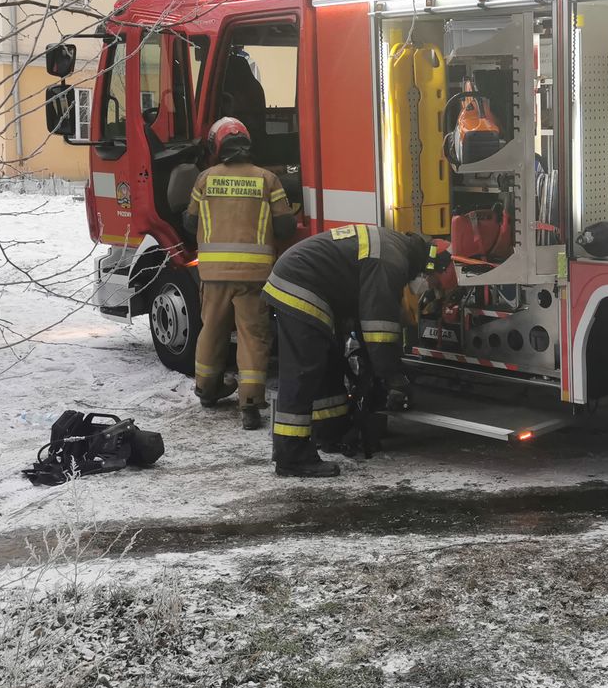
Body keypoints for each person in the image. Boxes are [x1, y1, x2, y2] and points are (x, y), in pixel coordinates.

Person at [263, 226, 455, 477]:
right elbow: (379, 330)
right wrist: (392, 376)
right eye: (432, 283)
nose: (426, 288)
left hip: (302, 279)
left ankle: (330, 433)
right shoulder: (391, 261)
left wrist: (377, 365)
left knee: (328, 365)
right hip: (299, 283)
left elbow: (367, 321)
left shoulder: (394, 249)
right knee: (303, 371)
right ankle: (291, 457)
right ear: (428, 267)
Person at [184, 117, 296, 428]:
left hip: (213, 274)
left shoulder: (205, 179)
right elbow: (285, 226)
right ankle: (249, 405)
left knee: (211, 330)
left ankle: (207, 390)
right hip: (254, 276)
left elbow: (190, 223)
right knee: (253, 336)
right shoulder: (267, 179)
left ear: (216, 146)